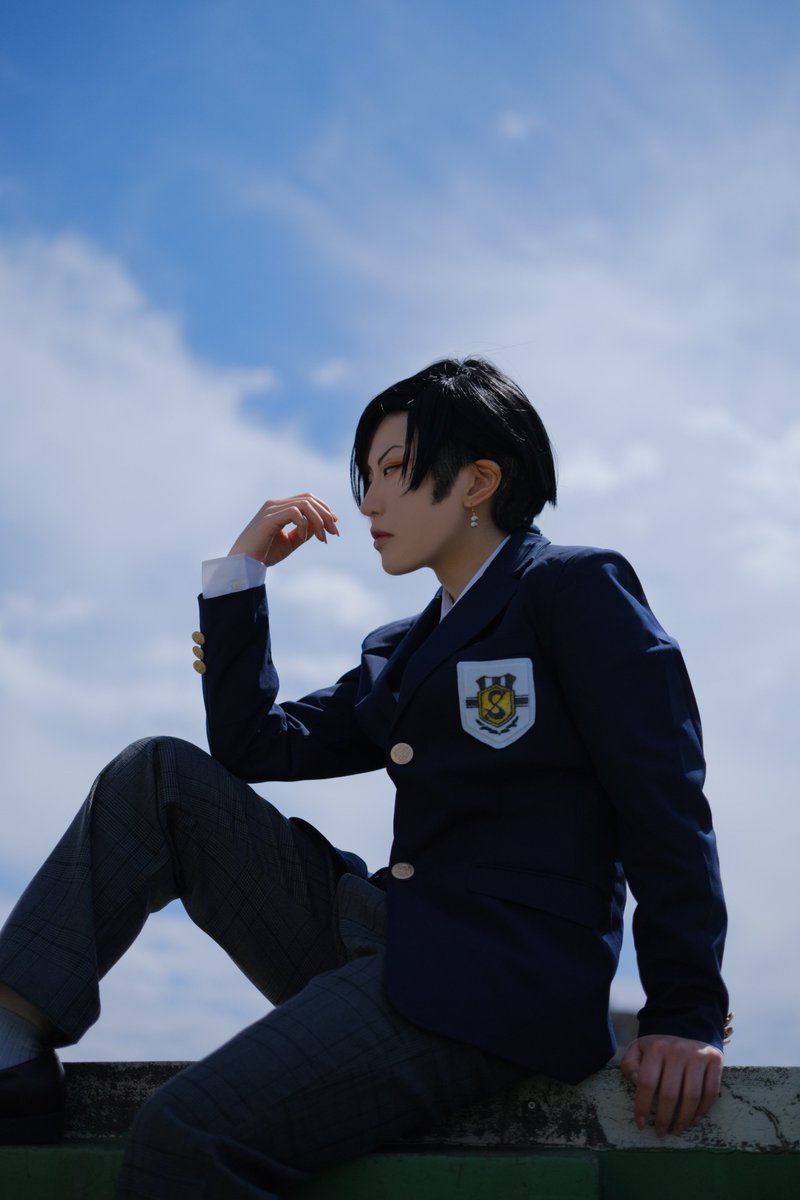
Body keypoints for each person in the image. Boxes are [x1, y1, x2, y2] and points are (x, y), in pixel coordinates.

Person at [0, 358, 729, 1196]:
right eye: (366, 475)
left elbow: (664, 800)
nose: (369, 502)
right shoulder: (400, 648)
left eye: (394, 470)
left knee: (185, 1133)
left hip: (496, 983)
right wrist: (241, 575)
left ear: (477, 482)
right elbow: (255, 747)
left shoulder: (573, 589)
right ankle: (10, 1046)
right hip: (387, 937)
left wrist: (685, 1013)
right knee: (158, 776)